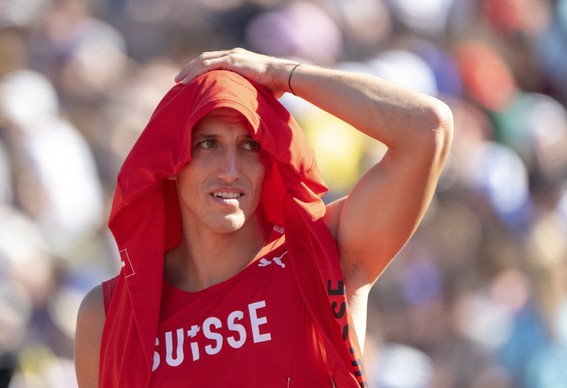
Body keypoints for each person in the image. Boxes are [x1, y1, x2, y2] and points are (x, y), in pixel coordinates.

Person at [74, 48, 453, 387]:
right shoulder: (106, 315)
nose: (230, 169)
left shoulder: (324, 253)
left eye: (250, 145)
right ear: (172, 163)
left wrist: (281, 73)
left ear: (270, 161)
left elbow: (427, 127)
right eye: (209, 144)